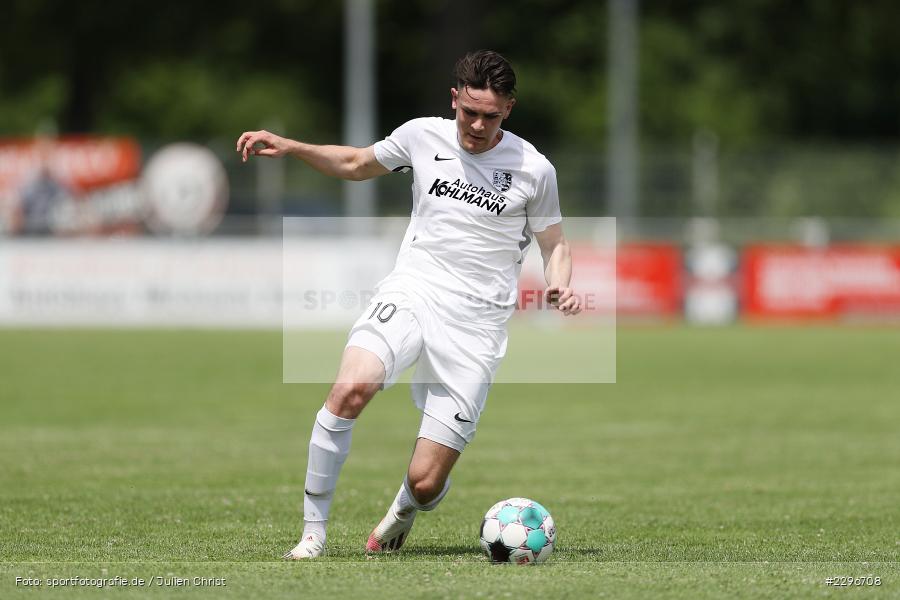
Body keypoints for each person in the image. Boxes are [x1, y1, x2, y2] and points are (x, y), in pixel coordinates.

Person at [236, 50, 581, 559]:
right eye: (469, 112)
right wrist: (292, 146)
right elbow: (356, 164)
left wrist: (560, 284)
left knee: (425, 483)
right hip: (414, 290)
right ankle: (312, 535)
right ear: (454, 99)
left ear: (509, 108)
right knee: (349, 390)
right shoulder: (422, 136)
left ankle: (404, 508)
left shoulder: (534, 169)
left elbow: (555, 245)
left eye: (490, 116)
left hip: (476, 328)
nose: (477, 126)